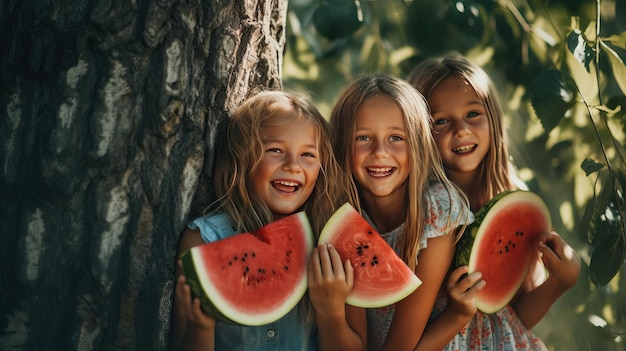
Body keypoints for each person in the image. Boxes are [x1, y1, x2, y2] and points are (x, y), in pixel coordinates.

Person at [407, 54, 581, 350]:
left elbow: (509, 316)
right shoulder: (429, 211)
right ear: (419, 132)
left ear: (494, 119)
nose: (461, 130)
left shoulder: (513, 199)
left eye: (473, 114)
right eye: (441, 121)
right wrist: (456, 312)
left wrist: (559, 283)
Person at [170, 90, 366, 351]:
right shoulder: (203, 240)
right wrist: (201, 327)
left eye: (308, 154)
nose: (293, 165)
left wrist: (331, 314)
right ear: (242, 159)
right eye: (275, 150)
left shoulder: (336, 244)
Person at [329, 73, 474, 351]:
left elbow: (403, 346)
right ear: (341, 145)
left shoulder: (439, 211)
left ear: (418, 145)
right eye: (363, 138)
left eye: (396, 137)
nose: (380, 152)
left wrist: (457, 315)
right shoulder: (345, 223)